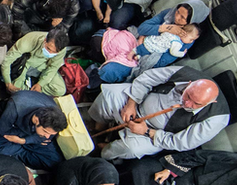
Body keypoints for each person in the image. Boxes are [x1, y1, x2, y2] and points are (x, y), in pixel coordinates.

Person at [89, 66, 229, 160]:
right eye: (188, 96)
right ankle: (98, 124)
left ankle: (104, 151)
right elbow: (148, 78)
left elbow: (180, 143)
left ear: (210, 103)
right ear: (190, 84)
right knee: (109, 95)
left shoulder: (216, 119)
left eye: (196, 104)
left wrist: (147, 131)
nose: (187, 104)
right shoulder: (184, 73)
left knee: (132, 149)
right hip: (137, 104)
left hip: (155, 133)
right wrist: (132, 103)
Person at [0, 90, 68, 170]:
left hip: (29, 137)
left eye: (50, 134)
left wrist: (24, 141)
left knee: (55, 161)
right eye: (45, 132)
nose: (47, 136)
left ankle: (15, 150)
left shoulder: (53, 117)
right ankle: (21, 152)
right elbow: (3, 130)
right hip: (12, 128)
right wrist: (30, 139)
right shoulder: (15, 107)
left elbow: (45, 138)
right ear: (36, 119)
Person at [1, 28, 68, 96]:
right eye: (48, 48)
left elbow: (53, 67)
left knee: (60, 90)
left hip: (43, 66)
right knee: (14, 90)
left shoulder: (62, 49)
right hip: (26, 64)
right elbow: (7, 60)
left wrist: (40, 84)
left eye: (54, 52)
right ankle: (28, 89)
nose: (50, 53)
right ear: (45, 40)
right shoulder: (29, 40)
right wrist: (8, 82)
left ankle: (30, 88)